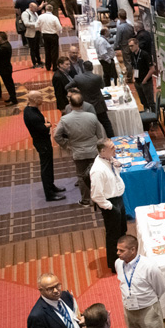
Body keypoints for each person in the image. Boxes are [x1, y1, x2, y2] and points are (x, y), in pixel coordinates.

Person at [54, 93, 105, 207]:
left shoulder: (65, 119)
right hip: (93, 150)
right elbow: (101, 135)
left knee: (82, 177)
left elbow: (57, 136)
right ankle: (99, 197)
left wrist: (66, 145)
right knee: (96, 174)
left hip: (77, 152)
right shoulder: (92, 116)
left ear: (70, 104)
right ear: (83, 104)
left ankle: (86, 200)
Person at [90, 139, 127, 272]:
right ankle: (114, 264)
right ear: (102, 151)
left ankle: (123, 257)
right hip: (111, 203)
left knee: (122, 230)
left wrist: (117, 165)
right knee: (113, 235)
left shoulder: (109, 160)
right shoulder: (98, 170)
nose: (115, 149)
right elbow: (96, 195)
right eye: (112, 147)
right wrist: (110, 207)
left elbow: (114, 178)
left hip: (118, 199)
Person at [22, 91, 65, 200]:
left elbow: (44, 122)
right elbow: (44, 127)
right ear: (36, 100)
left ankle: (51, 186)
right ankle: (49, 194)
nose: (43, 99)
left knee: (49, 165)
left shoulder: (28, 109)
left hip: (41, 141)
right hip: (42, 143)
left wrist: (45, 123)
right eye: (41, 97)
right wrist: (48, 125)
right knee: (46, 168)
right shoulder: (33, 116)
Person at [68, 62, 113, 137]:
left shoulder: (77, 78)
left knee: (89, 126)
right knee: (106, 124)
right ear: (92, 68)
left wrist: (77, 91)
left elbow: (67, 87)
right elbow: (102, 86)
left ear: (84, 68)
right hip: (99, 105)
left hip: (86, 106)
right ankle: (112, 140)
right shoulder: (97, 77)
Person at [127, 38, 156, 112]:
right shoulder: (132, 55)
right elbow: (134, 67)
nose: (131, 48)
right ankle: (147, 118)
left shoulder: (145, 54)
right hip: (137, 82)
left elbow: (152, 69)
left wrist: (145, 80)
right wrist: (133, 78)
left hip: (146, 82)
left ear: (137, 44)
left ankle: (155, 119)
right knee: (143, 102)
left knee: (150, 102)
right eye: (129, 46)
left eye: (132, 46)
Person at [0, 31, 19, 105]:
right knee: (8, 84)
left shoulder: (4, 47)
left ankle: (13, 99)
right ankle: (12, 97)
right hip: (5, 67)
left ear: (0, 38)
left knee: (9, 84)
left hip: (4, 68)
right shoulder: (5, 45)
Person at [38, 4, 63, 71]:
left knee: (47, 50)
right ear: (52, 10)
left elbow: (36, 26)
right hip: (53, 35)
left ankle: (48, 66)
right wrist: (58, 33)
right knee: (54, 52)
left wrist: (41, 30)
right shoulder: (54, 18)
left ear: (46, 9)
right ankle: (54, 67)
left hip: (45, 35)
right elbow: (59, 28)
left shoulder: (41, 17)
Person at [113, 10, 136, 78]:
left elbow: (118, 39)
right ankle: (131, 72)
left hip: (124, 45)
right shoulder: (130, 26)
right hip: (131, 45)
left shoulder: (120, 27)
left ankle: (129, 76)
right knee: (131, 59)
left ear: (119, 16)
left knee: (127, 61)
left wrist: (114, 47)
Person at [22, 2, 43, 68]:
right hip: (31, 34)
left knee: (37, 47)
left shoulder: (35, 13)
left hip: (37, 32)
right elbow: (26, 23)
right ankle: (34, 62)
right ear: (30, 7)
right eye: (35, 8)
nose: (36, 9)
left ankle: (39, 60)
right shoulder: (25, 14)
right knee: (32, 49)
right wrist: (35, 24)